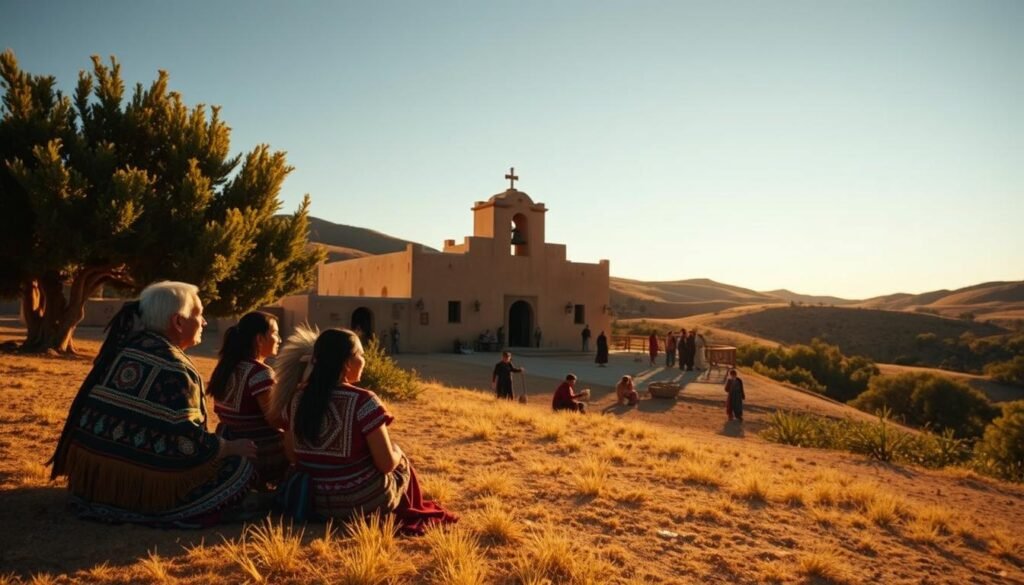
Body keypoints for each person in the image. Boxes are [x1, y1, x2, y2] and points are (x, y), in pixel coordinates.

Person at [49, 281, 257, 527]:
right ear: (178, 322)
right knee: (241, 467)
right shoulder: (174, 368)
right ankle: (173, 510)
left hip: (93, 484)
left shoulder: (125, 349)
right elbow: (188, 444)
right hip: (142, 490)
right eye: (199, 314)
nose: (204, 322)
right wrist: (228, 448)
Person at [275, 328, 456, 534]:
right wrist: (398, 453)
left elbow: (292, 455)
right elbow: (386, 464)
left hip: (308, 498)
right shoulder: (364, 401)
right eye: (361, 355)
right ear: (346, 362)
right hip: (357, 500)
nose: (364, 360)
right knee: (400, 460)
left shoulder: (296, 398)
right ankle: (408, 512)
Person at [209, 311, 287, 487]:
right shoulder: (259, 373)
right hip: (257, 451)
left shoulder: (226, 367)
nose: (280, 339)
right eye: (275, 333)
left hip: (229, 443)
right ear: (259, 339)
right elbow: (275, 420)